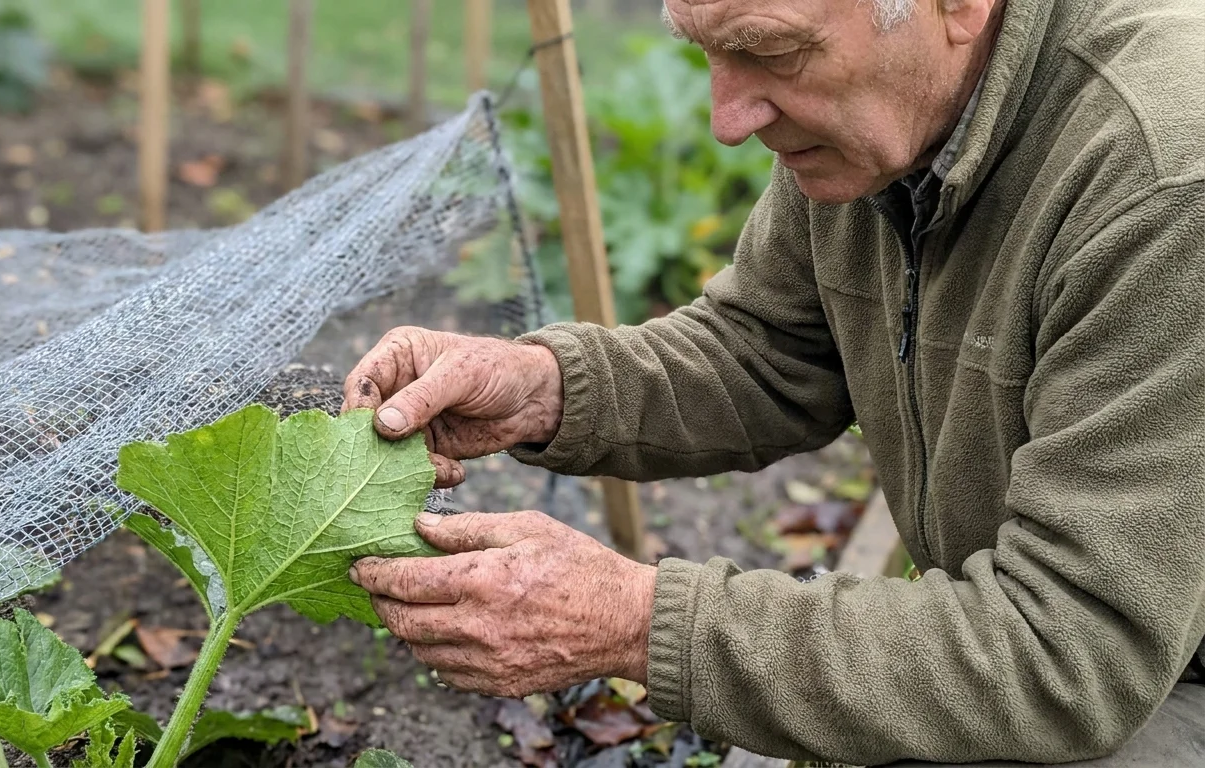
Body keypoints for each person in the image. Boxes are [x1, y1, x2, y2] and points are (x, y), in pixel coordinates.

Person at [342, 0, 1205, 764]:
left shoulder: (1162, 181)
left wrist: (635, 620)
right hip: (1068, 634)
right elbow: (768, 348)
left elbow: (1070, 651)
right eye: (706, 50)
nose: (728, 117)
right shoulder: (887, 125)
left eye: (773, 51)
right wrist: (544, 386)